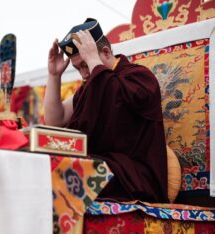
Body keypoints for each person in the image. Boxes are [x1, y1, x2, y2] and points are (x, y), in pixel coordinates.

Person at [44, 18, 169, 203]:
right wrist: (54, 75)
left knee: (64, 173)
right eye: (78, 68)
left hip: (135, 177)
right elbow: (56, 119)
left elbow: (113, 97)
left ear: (106, 51)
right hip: (102, 166)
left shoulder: (140, 77)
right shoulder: (93, 85)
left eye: (85, 64)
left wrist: (94, 60)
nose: (84, 74)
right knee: (44, 166)